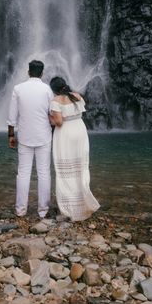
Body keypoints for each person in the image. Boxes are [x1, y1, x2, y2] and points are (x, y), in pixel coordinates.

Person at [48, 76, 100, 221]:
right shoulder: (77, 96)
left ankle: (70, 205)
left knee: (65, 168)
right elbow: (80, 113)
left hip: (65, 133)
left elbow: (58, 122)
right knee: (80, 166)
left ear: (54, 90)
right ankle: (84, 199)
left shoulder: (55, 101)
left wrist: (48, 117)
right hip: (79, 130)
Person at [7, 59, 54, 218]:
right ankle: (43, 211)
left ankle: (21, 210)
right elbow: (51, 114)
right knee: (44, 173)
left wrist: (11, 136)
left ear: (28, 72)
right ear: (42, 73)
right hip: (44, 136)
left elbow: (12, 116)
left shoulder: (18, 88)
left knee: (23, 173)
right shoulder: (47, 90)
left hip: (25, 136)